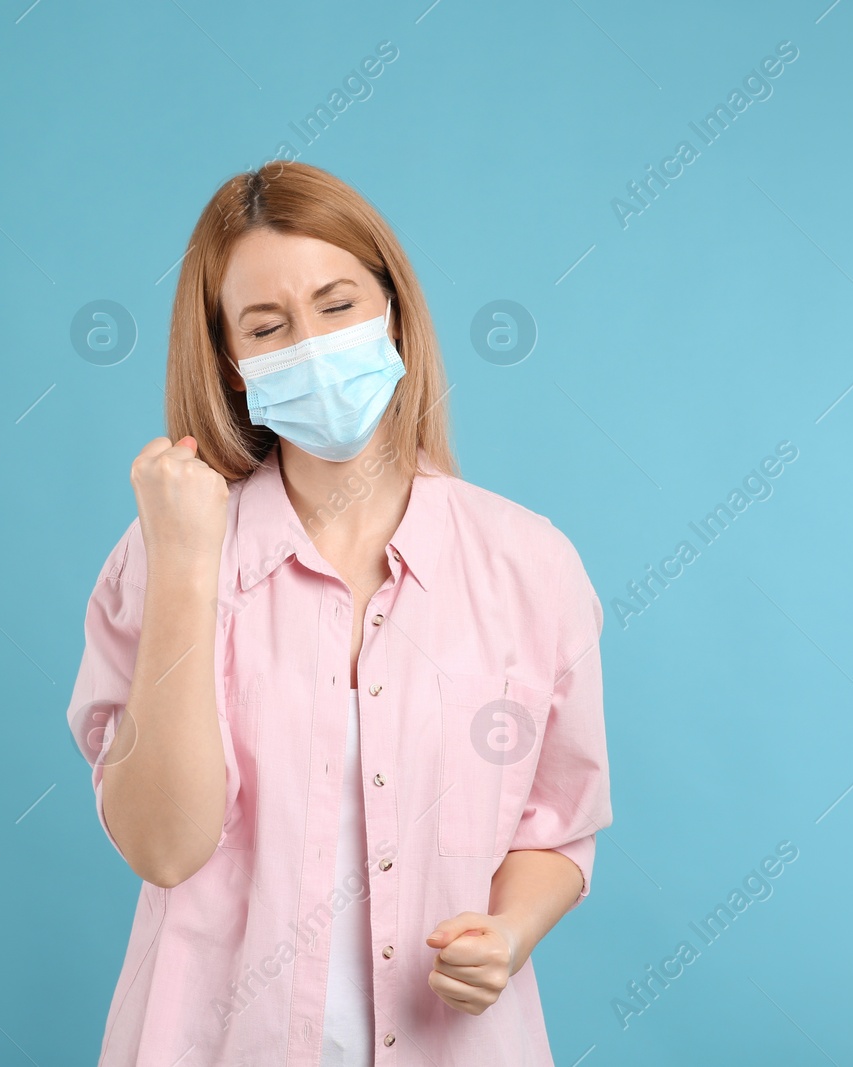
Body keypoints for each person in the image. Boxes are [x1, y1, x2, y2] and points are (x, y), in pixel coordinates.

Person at [65, 161, 612, 1066]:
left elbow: (558, 828)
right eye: (268, 325)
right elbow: (163, 845)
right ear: (233, 366)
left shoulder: (531, 564)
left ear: (393, 313)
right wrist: (190, 565)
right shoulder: (158, 558)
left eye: (337, 304)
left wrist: (510, 934)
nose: (312, 347)